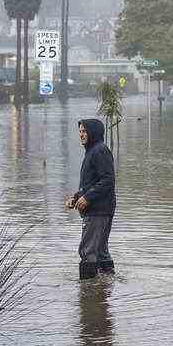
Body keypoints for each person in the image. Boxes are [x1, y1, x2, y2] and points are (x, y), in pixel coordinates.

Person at [66, 119, 116, 280]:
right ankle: (106, 286)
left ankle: (88, 295)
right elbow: (92, 183)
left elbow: (108, 180)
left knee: (88, 251)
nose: (81, 135)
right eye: (80, 131)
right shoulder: (93, 151)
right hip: (101, 208)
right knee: (100, 250)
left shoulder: (99, 151)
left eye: (84, 131)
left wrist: (87, 198)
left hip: (97, 210)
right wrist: (76, 198)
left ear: (93, 132)